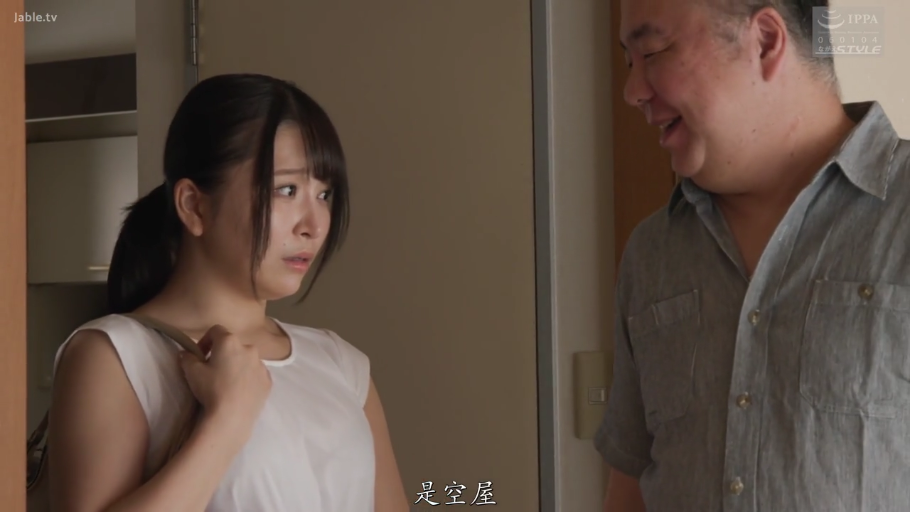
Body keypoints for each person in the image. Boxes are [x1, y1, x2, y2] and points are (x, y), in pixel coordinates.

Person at [597, 0, 910, 511]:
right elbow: (629, 487)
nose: (633, 91)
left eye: (651, 52)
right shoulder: (651, 255)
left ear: (764, 41)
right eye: (628, 62)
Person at [48, 73, 409, 512]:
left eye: (325, 194)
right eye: (287, 190)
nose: (314, 225)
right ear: (194, 205)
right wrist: (228, 420)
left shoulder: (341, 364)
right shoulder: (116, 356)